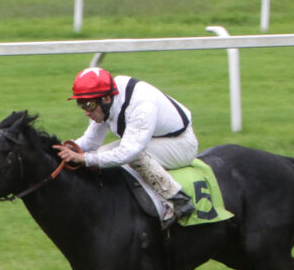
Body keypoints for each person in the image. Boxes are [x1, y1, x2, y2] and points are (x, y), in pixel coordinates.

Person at [55, 66, 197, 226]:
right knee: (99, 155)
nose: (86, 112)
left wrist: (83, 158)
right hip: (155, 140)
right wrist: (64, 150)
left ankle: (178, 199)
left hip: (181, 144)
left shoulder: (140, 105)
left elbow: (128, 153)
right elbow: (90, 142)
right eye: (81, 105)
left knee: (131, 157)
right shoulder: (108, 100)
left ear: (106, 99)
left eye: (89, 104)